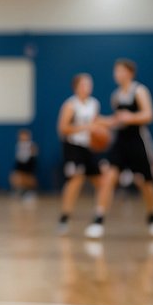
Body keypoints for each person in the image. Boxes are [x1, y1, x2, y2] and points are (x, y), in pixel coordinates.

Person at [89, 59, 153, 239]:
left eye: (120, 71)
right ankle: (98, 219)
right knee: (109, 178)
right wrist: (101, 121)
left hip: (137, 139)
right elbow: (116, 120)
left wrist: (131, 117)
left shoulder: (140, 90)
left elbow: (148, 115)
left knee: (146, 182)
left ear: (129, 72)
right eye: (115, 71)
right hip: (120, 141)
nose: (117, 74)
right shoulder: (115, 95)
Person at [57, 74, 101, 234]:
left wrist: (101, 131)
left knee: (100, 181)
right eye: (84, 84)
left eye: (90, 84)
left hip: (87, 146)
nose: (88, 87)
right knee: (76, 179)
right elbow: (62, 128)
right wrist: (84, 128)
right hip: (72, 146)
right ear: (76, 87)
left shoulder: (94, 104)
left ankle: (98, 216)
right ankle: (64, 216)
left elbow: (96, 125)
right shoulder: (70, 105)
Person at [10, 129, 38, 199]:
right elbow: (19, 161)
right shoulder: (18, 146)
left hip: (29, 168)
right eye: (21, 136)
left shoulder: (32, 146)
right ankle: (20, 191)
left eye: (25, 136)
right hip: (21, 168)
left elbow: (32, 160)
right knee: (15, 177)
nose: (23, 137)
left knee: (28, 179)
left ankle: (30, 192)